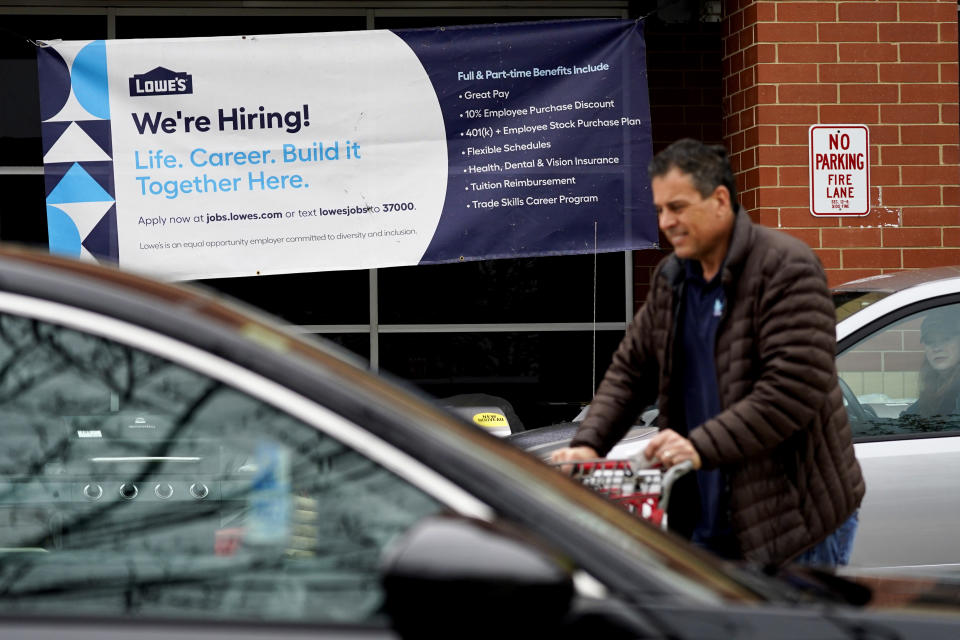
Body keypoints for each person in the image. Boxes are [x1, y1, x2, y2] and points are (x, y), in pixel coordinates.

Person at [551, 138, 865, 567]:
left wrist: (698, 445)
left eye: (677, 207)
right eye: (660, 210)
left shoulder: (786, 267)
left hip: (793, 521)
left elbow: (793, 390)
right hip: (702, 516)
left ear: (720, 200)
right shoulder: (673, 278)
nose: (666, 222)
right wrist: (590, 444)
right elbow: (631, 370)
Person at [903, 308, 960, 417]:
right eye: (930, 341)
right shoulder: (938, 383)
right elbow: (910, 418)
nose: (937, 348)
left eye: (945, 339)